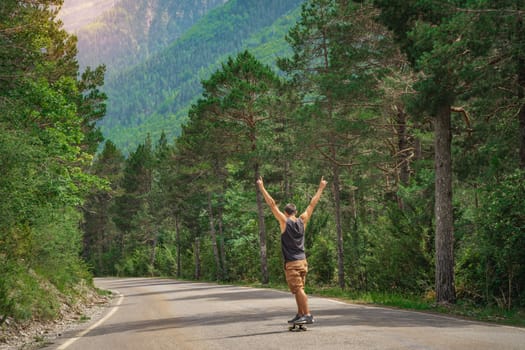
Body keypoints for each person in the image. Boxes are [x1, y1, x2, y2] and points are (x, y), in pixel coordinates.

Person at [256, 176, 328, 325]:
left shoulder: (284, 222)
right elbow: (312, 205)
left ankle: (307, 314)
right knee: (297, 290)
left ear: (286, 212)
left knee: (299, 289)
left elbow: (271, 204)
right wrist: (321, 187)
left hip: (292, 263)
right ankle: (300, 313)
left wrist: (262, 187)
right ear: (295, 212)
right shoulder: (303, 220)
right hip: (303, 261)